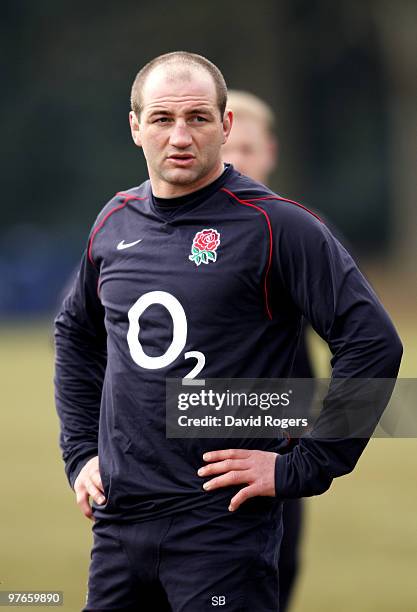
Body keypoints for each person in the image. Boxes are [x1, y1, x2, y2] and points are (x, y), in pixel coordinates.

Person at [54, 51, 402, 612]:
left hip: (220, 528)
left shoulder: (279, 226)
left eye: (198, 118)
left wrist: (305, 464)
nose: (180, 136)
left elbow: (374, 345)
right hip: (118, 526)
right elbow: (75, 333)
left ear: (226, 125)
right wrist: (80, 453)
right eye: (163, 119)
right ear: (136, 127)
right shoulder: (113, 221)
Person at [221, 89, 312, 612]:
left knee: (279, 569)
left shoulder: (300, 232)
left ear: (270, 152)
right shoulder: (161, 231)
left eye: (248, 149)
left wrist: (326, 439)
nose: (235, 162)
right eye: (228, 147)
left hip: (283, 438)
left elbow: (369, 345)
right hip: (187, 432)